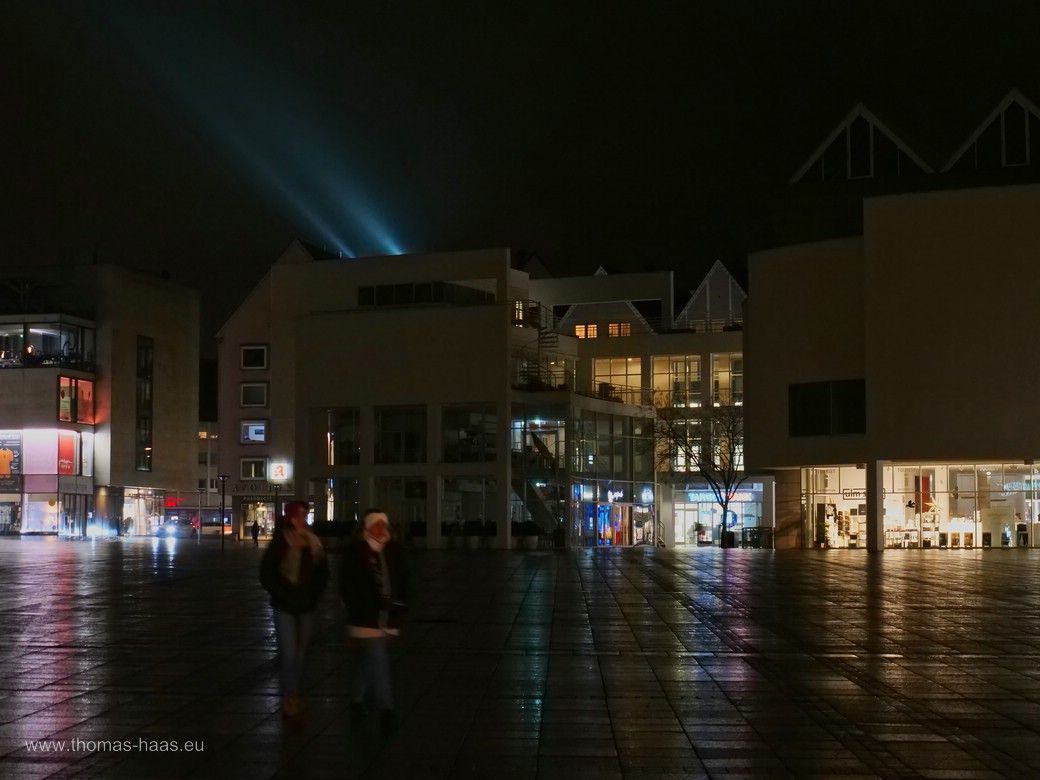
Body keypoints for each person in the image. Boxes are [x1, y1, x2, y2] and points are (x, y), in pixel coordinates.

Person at [341, 508, 408, 736]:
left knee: (368, 663)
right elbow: (347, 587)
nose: (381, 528)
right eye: (376, 524)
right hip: (365, 619)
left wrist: (400, 609)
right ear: (367, 528)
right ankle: (386, 709)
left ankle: (357, 701)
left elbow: (404, 582)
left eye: (383, 524)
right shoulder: (356, 553)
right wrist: (358, 610)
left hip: (388, 617)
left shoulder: (393, 551)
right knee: (379, 664)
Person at [259, 501, 328, 718]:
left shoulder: (314, 543)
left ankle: (294, 691)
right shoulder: (280, 543)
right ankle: (292, 695)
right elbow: (267, 573)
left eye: (304, 516)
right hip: (284, 606)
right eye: (298, 516)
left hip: (306, 605)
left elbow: (322, 574)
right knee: (289, 653)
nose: (302, 520)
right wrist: (282, 593)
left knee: (301, 654)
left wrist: (313, 595)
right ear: (289, 519)